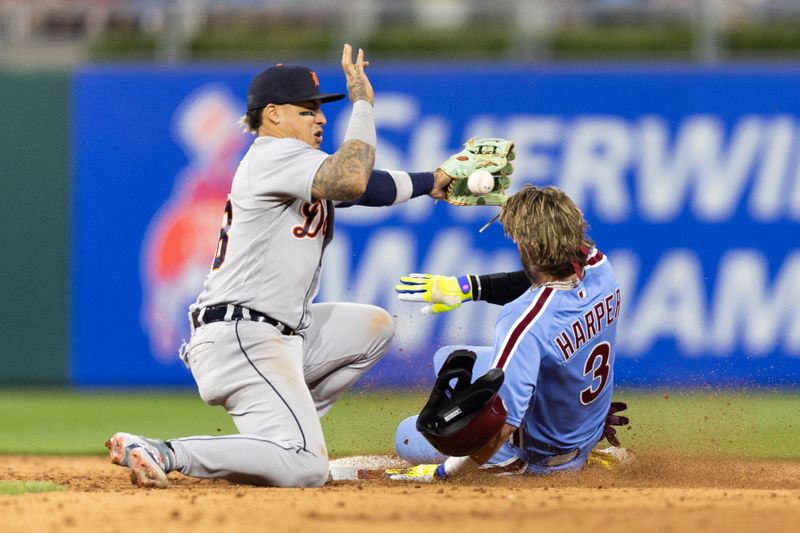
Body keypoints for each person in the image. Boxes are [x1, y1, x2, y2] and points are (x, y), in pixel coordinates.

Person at [106, 44, 454, 488]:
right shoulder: (272, 155)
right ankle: (167, 451)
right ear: (272, 115)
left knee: (375, 326)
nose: (321, 118)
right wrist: (363, 104)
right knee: (308, 469)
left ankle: (280, 442)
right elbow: (353, 177)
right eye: (308, 110)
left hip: (276, 335)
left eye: (320, 110)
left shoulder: (298, 165)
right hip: (243, 337)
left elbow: (369, 189)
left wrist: (433, 181)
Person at [390, 185, 629, 481]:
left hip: (544, 460)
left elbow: (501, 427)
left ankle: (525, 464)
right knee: (448, 357)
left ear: (526, 248)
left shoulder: (523, 323)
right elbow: (546, 281)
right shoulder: (599, 267)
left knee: (407, 437)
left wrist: (443, 473)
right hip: (588, 426)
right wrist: (469, 287)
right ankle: (586, 445)